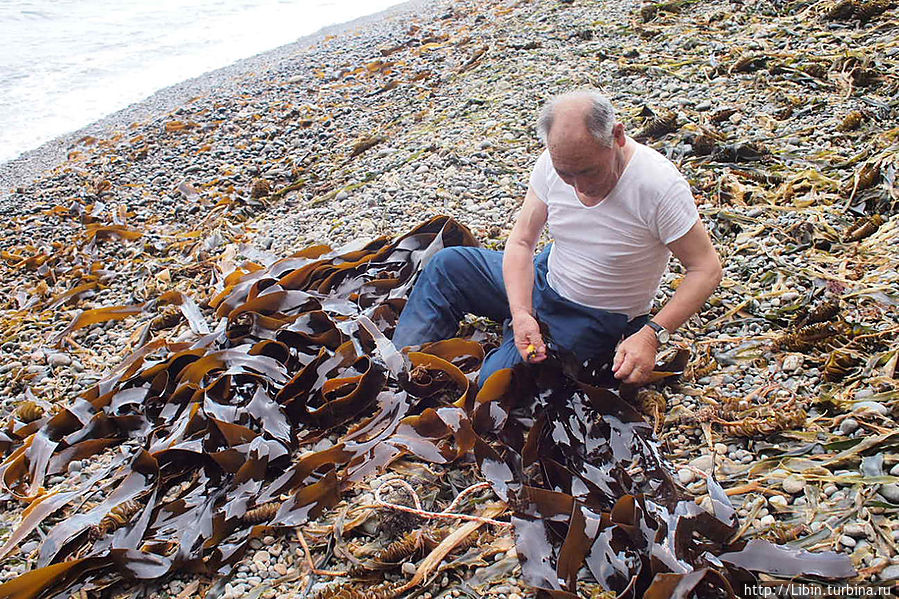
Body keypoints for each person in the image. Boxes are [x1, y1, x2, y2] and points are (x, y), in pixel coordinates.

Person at [392, 89, 722, 386]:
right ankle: (398, 368)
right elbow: (521, 242)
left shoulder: (657, 186)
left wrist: (651, 335)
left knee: (498, 383)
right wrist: (522, 311)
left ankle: (510, 342)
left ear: (617, 136)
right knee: (449, 265)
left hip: (593, 313)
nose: (579, 188)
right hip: (545, 275)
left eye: (589, 172)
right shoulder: (553, 163)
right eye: (567, 175)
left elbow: (705, 268)